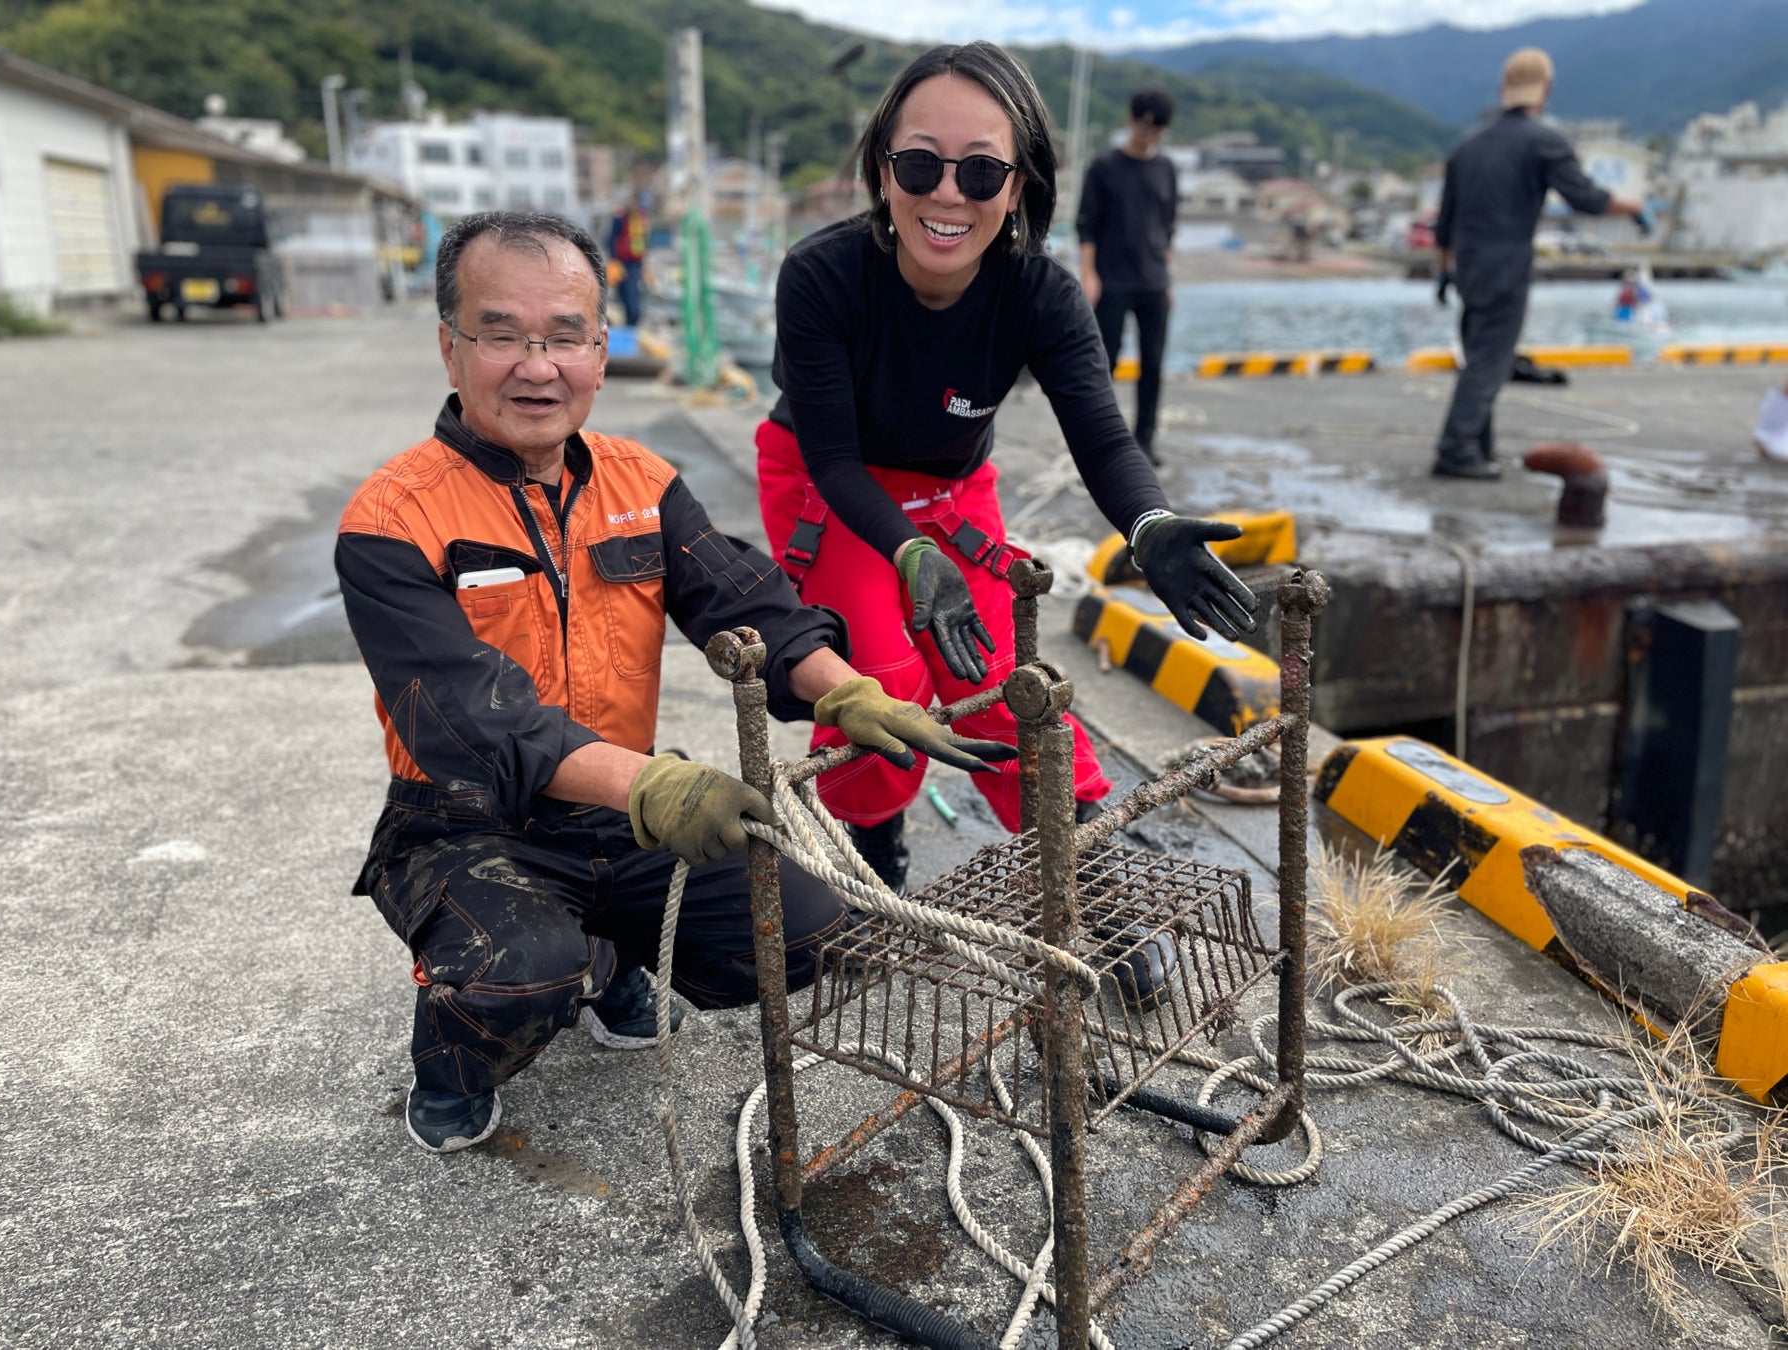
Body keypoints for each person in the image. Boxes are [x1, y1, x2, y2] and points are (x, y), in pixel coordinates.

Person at [336, 210, 1013, 1155]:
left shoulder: (641, 483)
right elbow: (473, 719)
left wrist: (846, 692)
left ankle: (611, 954)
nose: (539, 367)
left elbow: (747, 600)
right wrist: (656, 785)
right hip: (466, 824)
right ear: (451, 347)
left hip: (617, 810)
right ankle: (457, 1056)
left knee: (809, 932)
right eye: (502, 335)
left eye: (565, 336)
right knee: (522, 971)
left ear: (600, 351)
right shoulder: (391, 520)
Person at [762, 43, 1259, 892]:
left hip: (952, 490)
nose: (948, 194)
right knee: (885, 673)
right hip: (830, 486)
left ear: (1019, 185)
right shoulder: (821, 275)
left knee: (998, 677)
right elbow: (835, 459)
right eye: (920, 164)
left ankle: (1078, 855)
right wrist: (909, 552)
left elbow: (1104, 441)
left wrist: (1149, 524)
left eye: (982, 172)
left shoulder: (1041, 294)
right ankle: (870, 842)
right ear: (882, 170)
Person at [1432, 47, 1651, 480]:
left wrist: (1444, 271)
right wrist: (1635, 206)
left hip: (1468, 265)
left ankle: (1479, 446)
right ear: (1545, 90)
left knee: (1479, 354)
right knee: (1491, 361)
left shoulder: (1467, 147)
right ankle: (1455, 450)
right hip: (1507, 262)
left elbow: (1445, 222)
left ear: (1504, 88)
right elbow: (1585, 198)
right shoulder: (1544, 141)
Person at [1077, 88, 1179, 465]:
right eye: (1144, 126)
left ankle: (1145, 441)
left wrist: (1169, 279)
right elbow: (1086, 226)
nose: (1149, 134)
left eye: (1157, 129)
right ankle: (1100, 440)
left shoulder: (1167, 169)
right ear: (1130, 120)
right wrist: (1089, 275)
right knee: (1106, 362)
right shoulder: (1104, 166)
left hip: (1154, 280)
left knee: (1153, 363)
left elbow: (1168, 229)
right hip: (1112, 279)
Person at [605, 192, 649, 327]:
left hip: (634, 265)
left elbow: (643, 242)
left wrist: (644, 265)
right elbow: (612, 239)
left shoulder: (640, 220)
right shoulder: (620, 219)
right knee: (624, 296)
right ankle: (628, 325)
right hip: (621, 263)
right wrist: (614, 261)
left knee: (633, 299)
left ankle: (631, 325)